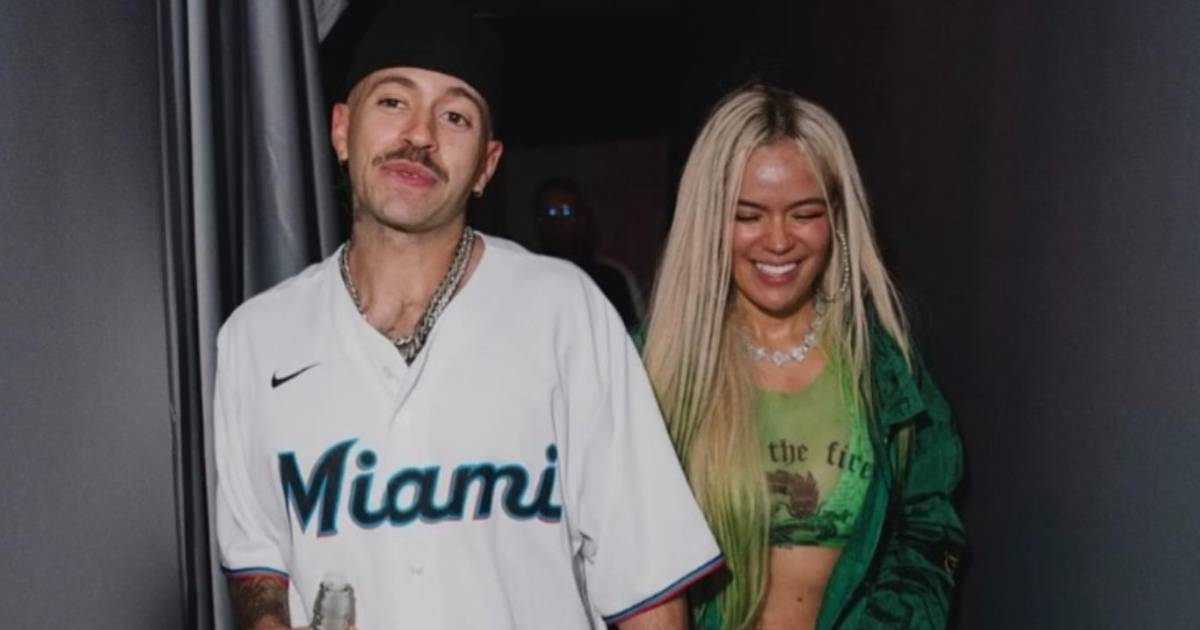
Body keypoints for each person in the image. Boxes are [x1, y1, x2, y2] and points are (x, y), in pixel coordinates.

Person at [212, 4, 721, 629]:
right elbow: (257, 555)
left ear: (486, 165)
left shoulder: (563, 312)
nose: (419, 135)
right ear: (341, 130)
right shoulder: (256, 338)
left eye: (454, 116)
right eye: (393, 102)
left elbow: (647, 581)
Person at [641, 84, 965, 629]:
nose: (778, 241)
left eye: (804, 213)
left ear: (836, 218)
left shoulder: (886, 370)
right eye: (747, 215)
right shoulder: (652, 367)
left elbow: (929, 530)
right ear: (708, 221)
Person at [532, 176, 645, 329]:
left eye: (565, 211)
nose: (556, 221)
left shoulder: (615, 279)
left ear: (582, 218)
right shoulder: (530, 279)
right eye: (549, 213)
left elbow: (636, 334)